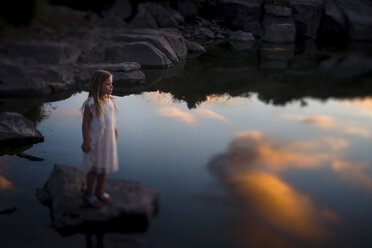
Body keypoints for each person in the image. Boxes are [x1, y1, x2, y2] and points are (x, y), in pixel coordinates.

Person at [81, 70, 118, 207]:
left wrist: (114, 129)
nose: (111, 87)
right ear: (98, 85)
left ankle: (100, 191)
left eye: (111, 84)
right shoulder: (91, 103)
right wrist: (86, 140)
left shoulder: (110, 101)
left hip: (108, 140)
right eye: (108, 84)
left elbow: (111, 118)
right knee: (95, 168)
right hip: (96, 140)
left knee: (104, 167)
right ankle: (89, 194)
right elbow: (85, 123)